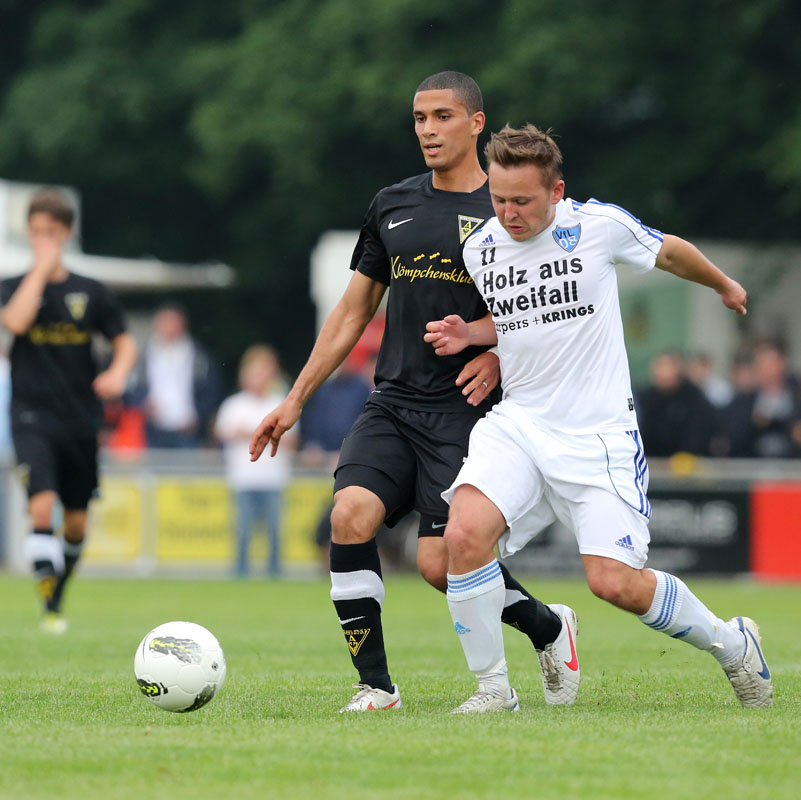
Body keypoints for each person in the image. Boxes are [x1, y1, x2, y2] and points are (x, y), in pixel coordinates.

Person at [250, 72, 577, 713]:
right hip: (393, 403)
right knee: (349, 515)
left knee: (437, 565)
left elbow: (555, 309)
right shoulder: (391, 204)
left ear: (477, 124)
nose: (428, 129)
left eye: (442, 116)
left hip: (469, 412)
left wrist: (498, 355)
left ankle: (548, 626)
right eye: (420, 118)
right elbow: (353, 311)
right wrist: (295, 399)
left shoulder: (510, 207)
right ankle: (376, 687)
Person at [425, 124, 773, 711]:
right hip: (519, 424)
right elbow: (521, 318)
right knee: (461, 536)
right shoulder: (480, 247)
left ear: (556, 191)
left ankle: (733, 644)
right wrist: (476, 336)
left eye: (522, 201)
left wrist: (723, 284)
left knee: (614, 583)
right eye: (499, 199)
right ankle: (493, 690)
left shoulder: (597, 226)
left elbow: (669, 250)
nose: (508, 214)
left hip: (597, 436)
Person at [0, 188, 138, 633]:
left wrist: (117, 372)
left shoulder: (90, 291)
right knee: (41, 509)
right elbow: (15, 322)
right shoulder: (13, 287)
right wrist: (41, 270)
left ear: (65, 233)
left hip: (80, 417)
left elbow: (125, 342)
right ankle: (50, 607)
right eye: (35, 232)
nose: (41, 240)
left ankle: (58, 590)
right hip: (31, 415)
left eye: (49, 232)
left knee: (76, 524)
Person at [215, 345, 294, 577]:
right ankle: (241, 572)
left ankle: (274, 572)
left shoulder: (281, 403)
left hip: (273, 478)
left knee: (274, 531)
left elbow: (292, 440)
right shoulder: (234, 404)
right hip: (244, 478)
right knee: (243, 530)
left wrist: (248, 433)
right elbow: (224, 433)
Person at [135, 305, 220, 448]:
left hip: (187, 429)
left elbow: (211, 389)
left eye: (173, 322)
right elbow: (134, 387)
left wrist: (198, 417)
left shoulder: (198, 355)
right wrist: (144, 404)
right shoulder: (145, 354)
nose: (169, 328)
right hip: (153, 429)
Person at [636, 351, 717, 456]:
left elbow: (701, 429)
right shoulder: (645, 398)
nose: (662, 372)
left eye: (667, 366)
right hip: (651, 459)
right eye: (659, 366)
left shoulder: (693, 396)